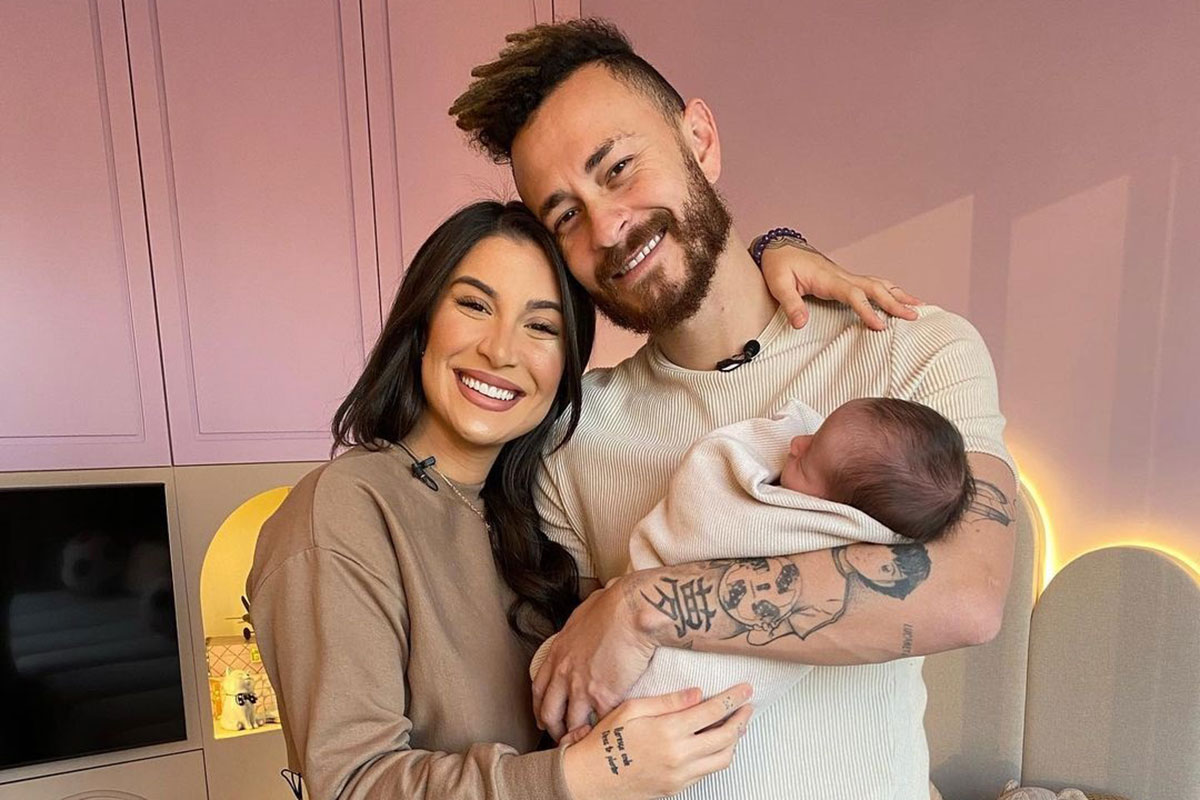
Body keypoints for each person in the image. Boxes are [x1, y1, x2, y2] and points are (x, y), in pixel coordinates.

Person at [451, 18, 1019, 800]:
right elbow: (588, 695)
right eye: (566, 216)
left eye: (618, 168)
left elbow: (968, 594)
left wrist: (647, 603)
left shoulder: (908, 349)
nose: (608, 227)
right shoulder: (573, 440)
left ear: (701, 139)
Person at [246, 200, 897, 800]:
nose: (501, 350)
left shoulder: (536, 504)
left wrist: (773, 250)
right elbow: (350, 784)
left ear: (567, 366)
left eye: (541, 326)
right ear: (422, 324)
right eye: (474, 305)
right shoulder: (343, 510)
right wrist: (589, 772)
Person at [533, 396, 971, 709]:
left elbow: (706, 515)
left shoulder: (829, 535)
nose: (796, 442)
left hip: (691, 688)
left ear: (838, 513)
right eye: (814, 434)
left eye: (807, 461)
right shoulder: (577, 427)